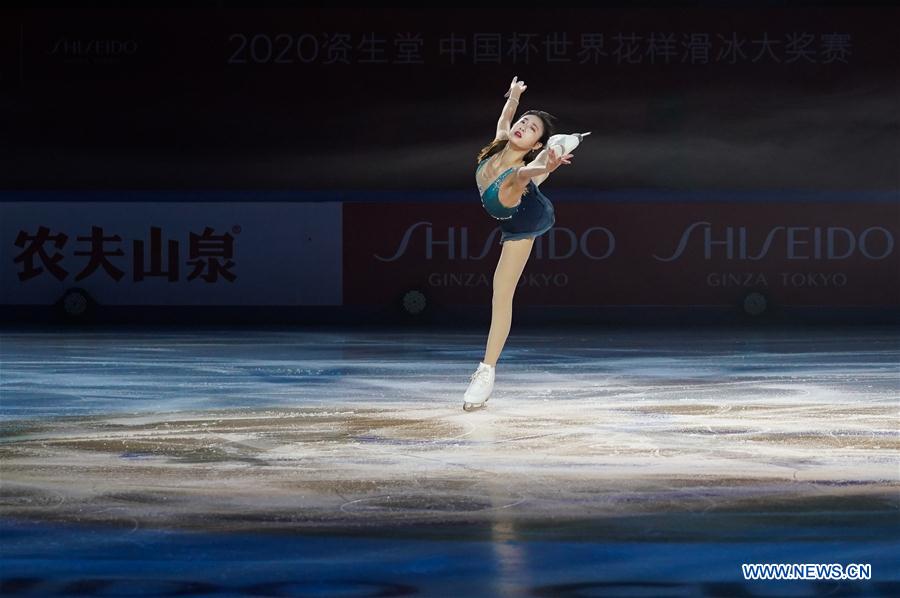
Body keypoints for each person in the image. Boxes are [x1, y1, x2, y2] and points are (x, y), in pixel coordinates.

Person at [463, 76, 574, 411]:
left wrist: (547, 164)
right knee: (522, 175)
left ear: (536, 143)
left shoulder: (528, 166)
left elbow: (529, 172)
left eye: (532, 128)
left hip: (524, 216)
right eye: (525, 120)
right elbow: (504, 120)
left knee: (502, 292)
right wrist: (513, 96)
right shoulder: (500, 141)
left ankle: (486, 371)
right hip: (510, 195)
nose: (524, 125)